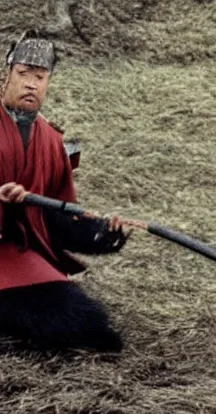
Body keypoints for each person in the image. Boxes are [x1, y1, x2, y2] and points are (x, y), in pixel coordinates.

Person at [0, 32, 130, 352]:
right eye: (23, 74)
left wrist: (101, 233)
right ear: (7, 75)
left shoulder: (50, 141)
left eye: (40, 77)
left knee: (89, 327)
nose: (31, 84)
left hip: (19, 257)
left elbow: (57, 216)